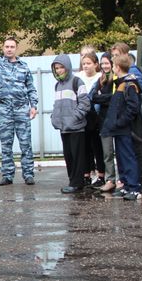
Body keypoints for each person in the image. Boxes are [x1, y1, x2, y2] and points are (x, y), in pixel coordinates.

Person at [0, 18, 38, 185]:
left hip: (21, 109)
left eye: (12, 47)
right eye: (7, 46)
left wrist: (33, 105)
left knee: (25, 143)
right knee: (6, 145)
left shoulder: (23, 67)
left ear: (16, 49)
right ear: (3, 48)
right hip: (4, 109)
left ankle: (28, 174)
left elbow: (31, 88)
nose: (9, 49)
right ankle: (7, 175)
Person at [112, 42, 142, 188]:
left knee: (137, 151)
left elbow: (135, 97)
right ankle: (133, 181)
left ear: (125, 55)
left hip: (134, 121)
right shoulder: (124, 75)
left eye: (116, 55)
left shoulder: (133, 73)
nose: (114, 59)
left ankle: (139, 182)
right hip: (128, 119)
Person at [100, 54, 142, 201]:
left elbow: (132, 108)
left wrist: (120, 122)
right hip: (118, 129)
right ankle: (125, 185)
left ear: (117, 67)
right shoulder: (121, 83)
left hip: (125, 128)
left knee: (128, 157)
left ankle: (134, 188)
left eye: (113, 65)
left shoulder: (130, 84)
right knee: (122, 159)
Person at [49, 55, 91, 193]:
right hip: (64, 128)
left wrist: (74, 119)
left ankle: (77, 183)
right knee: (69, 156)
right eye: (57, 68)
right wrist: (55, 118)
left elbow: (85, 104)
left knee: (77, 156)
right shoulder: (57, 85)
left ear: (67, 67)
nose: (59, 70)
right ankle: (72, 180)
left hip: (76, 128)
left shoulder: (77, 82)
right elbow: (57, 105)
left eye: (61, 67)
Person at [92, 54, 118, 192]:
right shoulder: (100, 79)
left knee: (120, 152)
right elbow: (94, 97)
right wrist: (107, 98)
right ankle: (110, 179)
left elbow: (117, 98)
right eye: (102, 64)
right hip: (104, 121)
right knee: (107, 153)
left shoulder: (117, 78)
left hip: (117, 120)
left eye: (107, 63)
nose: (104, 66)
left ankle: (122, 180)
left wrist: (104, 97)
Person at [78, 52, 104, 187]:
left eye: (88, 63)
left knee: (98, 146)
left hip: (97, 116)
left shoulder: (100, 77)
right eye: (84, 64)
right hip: (83, 116)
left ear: (96, 64)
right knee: (85, 146)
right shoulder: (78, 77)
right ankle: (86, 174)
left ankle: (101, 175)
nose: (86, 66)